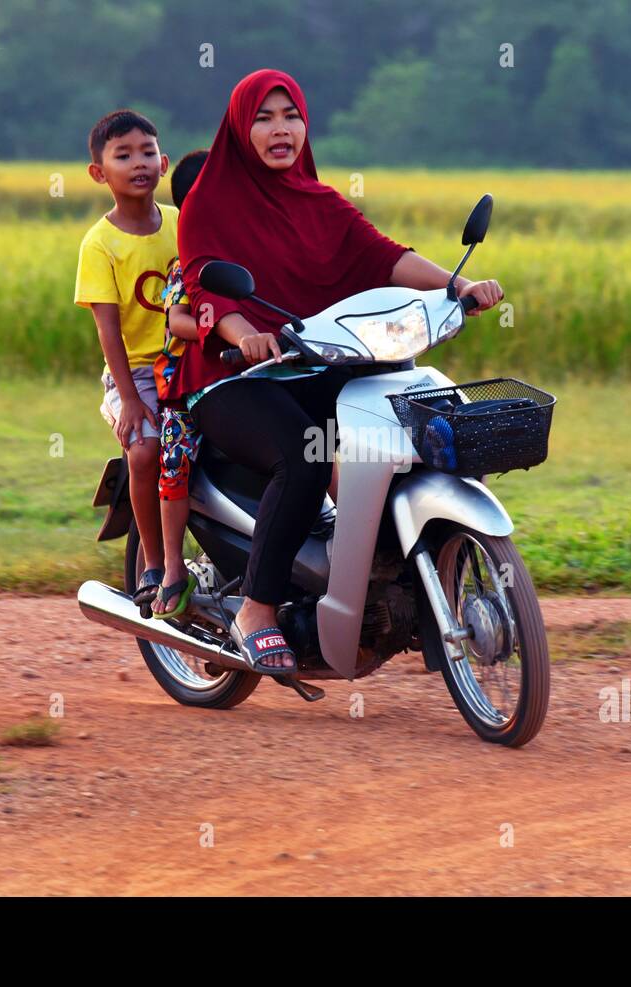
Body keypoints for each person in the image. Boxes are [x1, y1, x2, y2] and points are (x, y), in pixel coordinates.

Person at [175, 69, 503, 674]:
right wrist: (245, 336)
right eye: (264, 118)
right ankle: (257, 608)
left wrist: (458, 286)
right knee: (304, 457)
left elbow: (381, 256)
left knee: (413, 429)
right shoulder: (208, 204)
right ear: (238, 129)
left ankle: (386, 575)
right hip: (230, 380)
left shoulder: (318, 202)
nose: (281, 130)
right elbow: (205, 287)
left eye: (292, 115)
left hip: (314, 365)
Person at [74, 110, 176, 614]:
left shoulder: (182, 223)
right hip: (133, 374)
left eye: (147, 152)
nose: (139, 163)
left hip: (190, 362)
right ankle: (154, 565)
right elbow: (108, 330)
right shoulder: (100, 243)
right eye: (123, 155)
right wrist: (130, 400)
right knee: (144, 452)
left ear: (164, 161)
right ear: (99, 172)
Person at [150, 149, 209, 619]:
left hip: (249, 376)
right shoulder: (187, 262)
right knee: (175, 467)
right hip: (187, 384)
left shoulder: (258, 250)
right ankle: (172, 567)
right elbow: (179, 321)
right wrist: (227, 330)